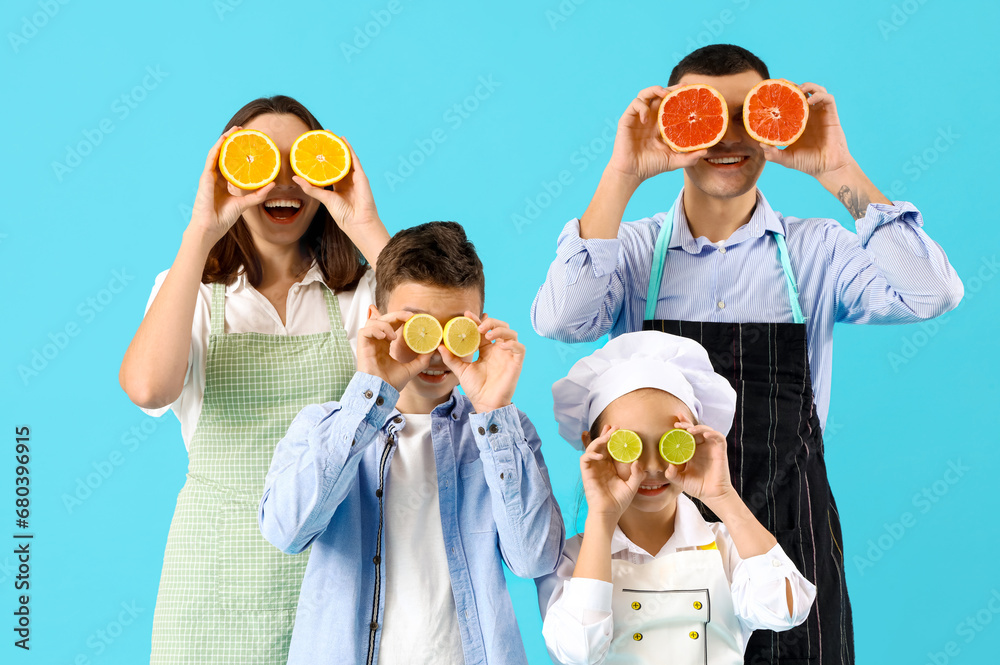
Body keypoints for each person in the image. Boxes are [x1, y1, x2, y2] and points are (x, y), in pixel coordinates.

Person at [530, 44, 963, 664]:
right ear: (669, 125)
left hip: (790, 527)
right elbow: (561, 319)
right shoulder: (628, 251)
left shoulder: (817, 252)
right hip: (656, 524)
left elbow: (932, 293)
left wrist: (837, 169)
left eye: (749, 114)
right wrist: (623, 174)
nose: (728, 137)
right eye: (703, 116)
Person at [119, 95, 391, 664]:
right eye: (264, 161)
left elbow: (432, 342)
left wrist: (365, 226)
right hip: (210, 586)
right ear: (231, 173)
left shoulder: (362, 296)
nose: (286, 181)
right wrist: (201, 228)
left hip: (335, 572)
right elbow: (148, 387)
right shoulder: (187, 291)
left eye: (304, 162)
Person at [258, 221, 564, 665]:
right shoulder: (322, 426)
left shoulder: (506, 433)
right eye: (418, 327)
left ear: (479, 329)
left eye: (456, 331)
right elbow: (286, 531)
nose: (437, 353)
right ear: (375, 323)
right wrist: (369, 394)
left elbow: (533, 559)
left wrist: (494, 411)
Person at [538, 331, 816, 665]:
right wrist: (600, 518)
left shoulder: (728, 547)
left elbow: (786, 609)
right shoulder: (571, 559)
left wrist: (725, 498)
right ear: (592, 445)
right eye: (629, 445)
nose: (653, 466)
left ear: (696, 440)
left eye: (670, 441)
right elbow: (577, 651)